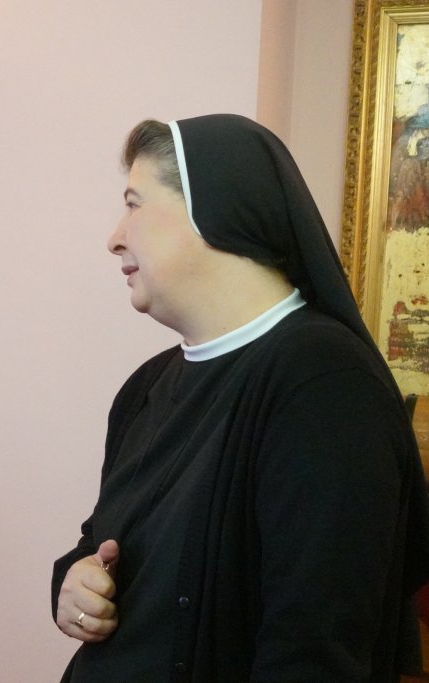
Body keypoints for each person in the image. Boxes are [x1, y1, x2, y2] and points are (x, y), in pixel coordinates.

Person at [51, 113, 429, 681]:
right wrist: (76, 584)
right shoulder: (147, 386)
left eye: (134, 204)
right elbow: (99, 541)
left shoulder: (323, 385)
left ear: (213, 210)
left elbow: (313, 650)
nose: (115, 238)